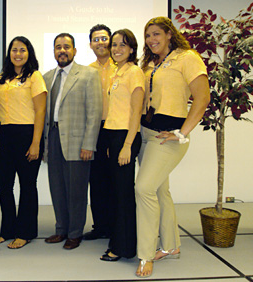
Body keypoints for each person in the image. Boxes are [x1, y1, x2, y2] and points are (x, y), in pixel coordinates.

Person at [135, 17, 210, 277]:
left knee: (143, 188)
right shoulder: (149, 63)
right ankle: (170, 246)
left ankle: (145, 254)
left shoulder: (187, 57)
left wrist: (182, 133)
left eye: (156, 34)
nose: (151, 40)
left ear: (169, 34)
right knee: (159, 190)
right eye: (148, 36)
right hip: (146, 133)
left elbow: (203, 97)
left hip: (167, 137)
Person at [43, 33, 102, 250]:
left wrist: (89, 144)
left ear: (74, 51)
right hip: (54, 138)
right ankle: (61, 230)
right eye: (58, 47)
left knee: (76, 190)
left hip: (78, 142)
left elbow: (95, 112)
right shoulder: (47, 77)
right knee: (57, 188)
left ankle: (75, 233)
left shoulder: (88, 75)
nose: (62, 51)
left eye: (66, 47)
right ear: (54, 51)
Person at [0, 36, 47, 249]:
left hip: (27, 135)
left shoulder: (35, 77)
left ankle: (25, 232)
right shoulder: (0, 78)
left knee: (27, 186)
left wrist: (36, 143)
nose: (17, 54)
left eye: (22, 50)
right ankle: (7, 229)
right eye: (14, 50)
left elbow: (41, 111)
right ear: (9, 53)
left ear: (29, 53)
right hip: (4, 136)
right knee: (4, 187)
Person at [99, 29, 144, 262]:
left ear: (132, 49)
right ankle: (119, 240)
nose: (117, 49)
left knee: (124, 194)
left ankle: (124, 248)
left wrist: (126, 145)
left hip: (126, 137)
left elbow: (136, 112)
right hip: (113, 136)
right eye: (114, 45)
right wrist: (110, 143)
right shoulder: (118, 72)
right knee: (116, 193)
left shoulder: (134, 72)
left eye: (122, 45)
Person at [84, 24, 115, 240]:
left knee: (117, 179)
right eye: (96, 39)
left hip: (117, 129)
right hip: (95, 129)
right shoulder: (87, 71)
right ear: (90, 44)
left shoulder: (124, 67)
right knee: (96, 180)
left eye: (104, 38)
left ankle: (117, 226)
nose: (100, 43)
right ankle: (100, 226)